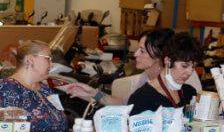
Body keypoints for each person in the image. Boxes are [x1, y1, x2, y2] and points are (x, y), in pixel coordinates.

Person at [62, 28, 198, 106]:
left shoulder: (181, 80)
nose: (136, 54)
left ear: (161, 58)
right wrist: (92, 93)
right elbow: (126, 103)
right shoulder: (146, 78)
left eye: (142, 51)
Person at [127, 33, 202, 115]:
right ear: (167, 61)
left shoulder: (190, 93)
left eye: (193, 67)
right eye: (184, 66)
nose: (189, 72)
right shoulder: (142, 98)